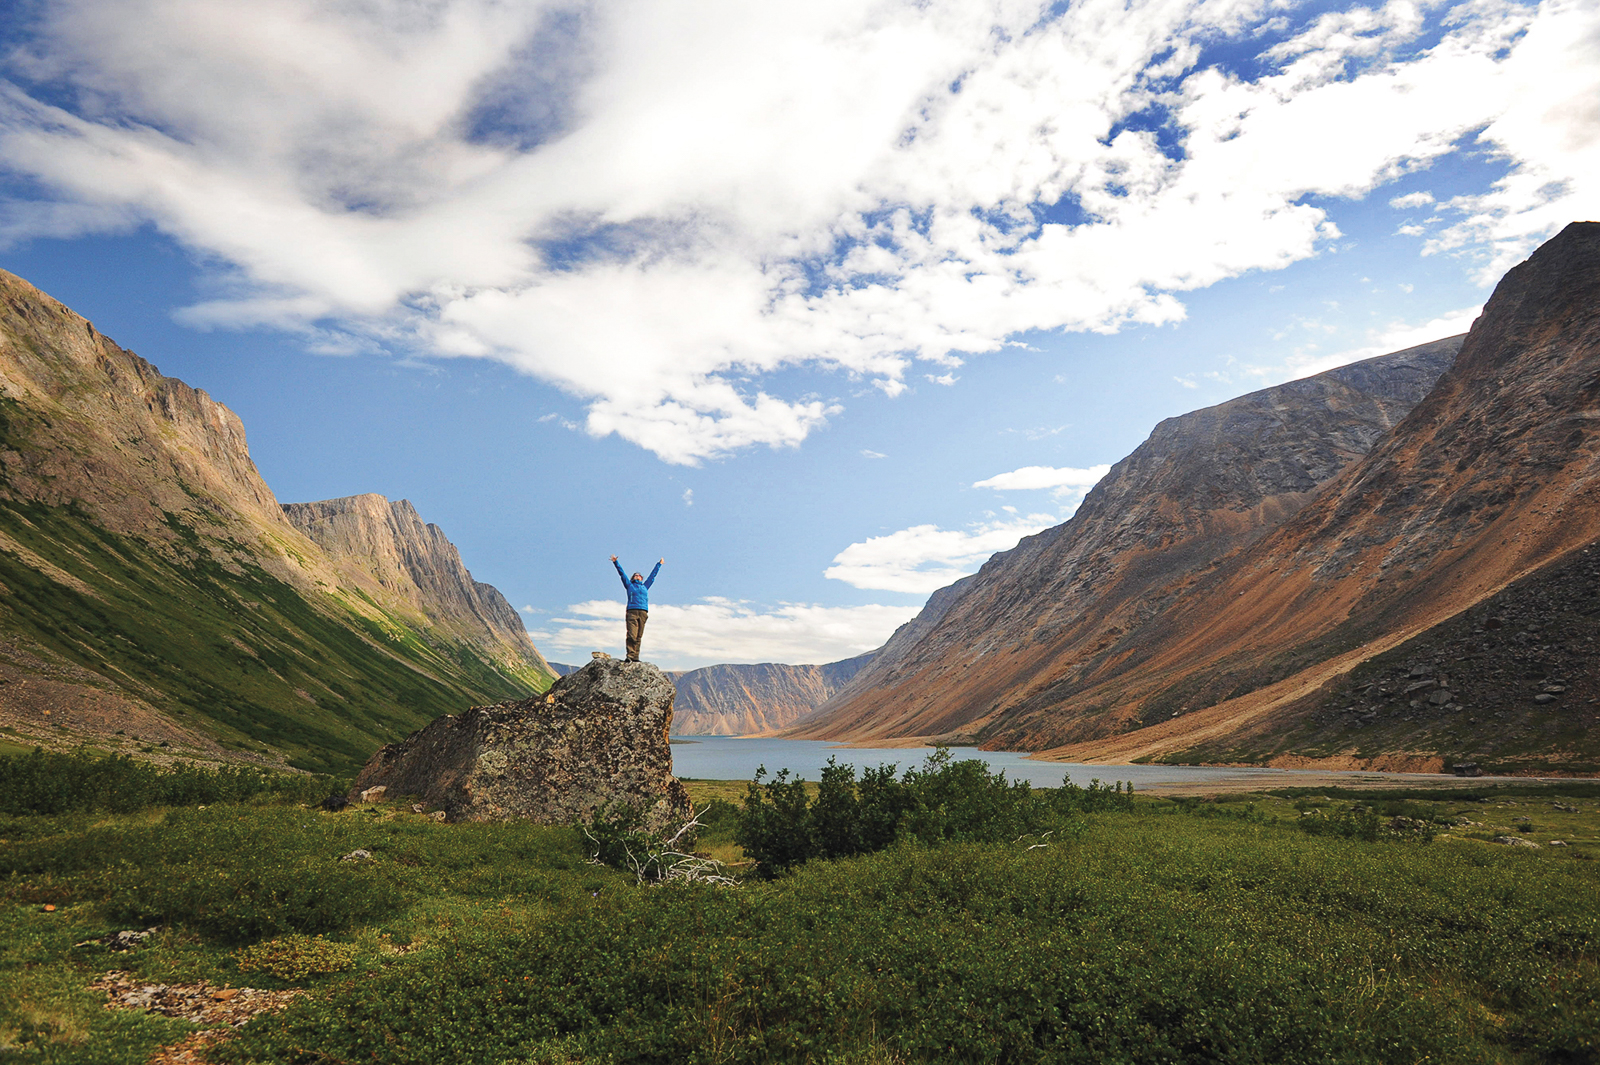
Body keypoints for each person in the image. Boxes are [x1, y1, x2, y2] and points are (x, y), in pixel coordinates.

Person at [610, 555, 663, 661]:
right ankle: (629, 655)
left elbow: (653, 576)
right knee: (631, 634)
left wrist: (659, 564)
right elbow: (622, 574)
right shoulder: (629, 585)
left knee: (639, 636)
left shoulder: (645, 586)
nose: (637, 576)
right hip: (632, 611)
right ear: (632, 578)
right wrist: (616, 562)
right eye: (635, 575)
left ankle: (635, 657)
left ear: (642, 578)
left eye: (639, 575)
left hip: (643, 612)